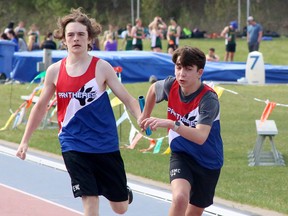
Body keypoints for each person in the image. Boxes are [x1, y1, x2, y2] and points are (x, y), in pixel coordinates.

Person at [16, 7, 141, 216]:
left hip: (105, 144)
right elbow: (40, 107)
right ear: (63, 40)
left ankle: (122, 193)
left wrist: (141, 118)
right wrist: (25, 140)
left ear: (89, 37)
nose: (76, 39)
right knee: (90, 200)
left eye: (81, 34)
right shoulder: (55, 71)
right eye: (70, 35)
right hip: (73, 143)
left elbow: (128, 99)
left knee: (120, 208)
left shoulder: (102, 68)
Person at [139, 46, 223, 216]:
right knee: (179, 198)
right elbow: (153, 89)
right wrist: (145, 116)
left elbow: (200, 137)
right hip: (182, 155)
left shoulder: (209, 99)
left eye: (188, 69)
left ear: (200, 72)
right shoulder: (171, 85)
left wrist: (172, 124)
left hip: (208, 161)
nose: (181, 74)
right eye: (178, 67)